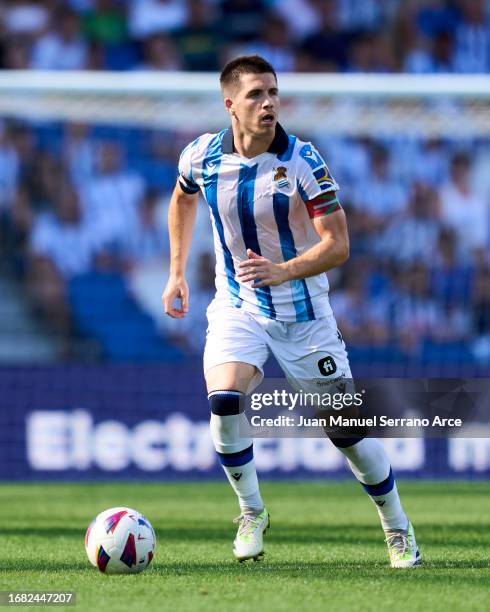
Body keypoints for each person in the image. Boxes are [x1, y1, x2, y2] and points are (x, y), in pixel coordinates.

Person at [162, 55, 421, 568]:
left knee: (347, 433)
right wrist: (176, 272)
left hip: (304, 316)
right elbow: (182, 198)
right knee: (225, 401)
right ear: (230, 104)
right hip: (238, 304)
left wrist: (286, 270)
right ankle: (252, 511)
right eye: (256, 94)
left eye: (273, 92)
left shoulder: (302, 161)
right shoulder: (201, 156)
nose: (269, 103)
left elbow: (339, 245)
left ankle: (396, 525)